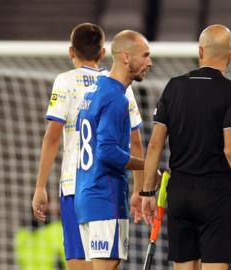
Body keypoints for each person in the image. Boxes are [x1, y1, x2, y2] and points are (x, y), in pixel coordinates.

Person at [140, 24, 231, 270]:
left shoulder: (174, 87)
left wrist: (147, 193)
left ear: (200, 51)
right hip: (217, 193)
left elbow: (154, 146)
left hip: (180, 191)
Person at [31, 23, 145, 270]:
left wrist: (40, 186)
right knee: (107, 262)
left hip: (74, 187)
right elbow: (135, 141)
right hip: (104, 186)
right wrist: (139, 188)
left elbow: (51, 138)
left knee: (78, 264)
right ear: (103, 52)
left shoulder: (65, 82)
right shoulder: (118, 85)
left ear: (71, 51)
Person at [74, 30, 152, 270]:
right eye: (145, 55)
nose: (150, 62)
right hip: (104, 197)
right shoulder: (116, 98)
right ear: (126, 57)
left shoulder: (94, 92)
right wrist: (149, 167)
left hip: (87, 195)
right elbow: (107, 152)